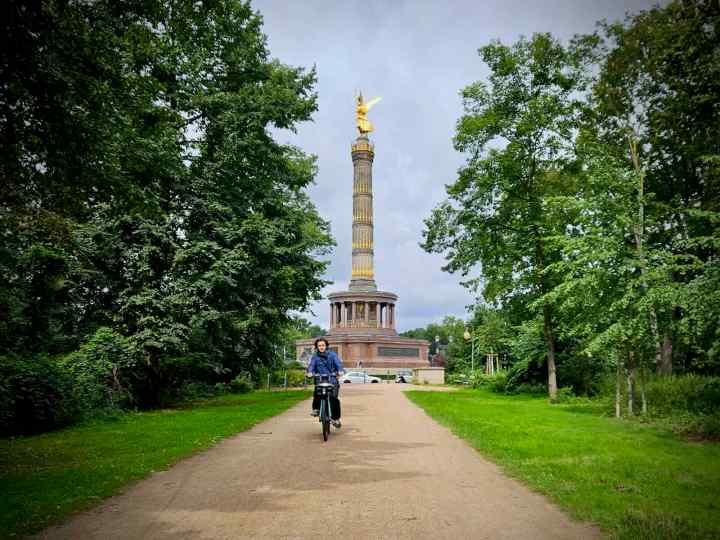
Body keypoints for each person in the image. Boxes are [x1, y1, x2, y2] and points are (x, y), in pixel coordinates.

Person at [306, 338, 344, 428]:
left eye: (323, 345)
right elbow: (311, 365)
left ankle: (336, 418)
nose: (321, 347)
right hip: (320, 380)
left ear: (326, 346)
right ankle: (316, 409)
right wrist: (310, 372)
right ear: (317, 347)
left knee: (334, 398)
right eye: (319, 345)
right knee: (317, 393)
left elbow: (338, 364)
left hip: (332, 380)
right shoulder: (315, 356)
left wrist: (340, 371)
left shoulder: (332, 355)